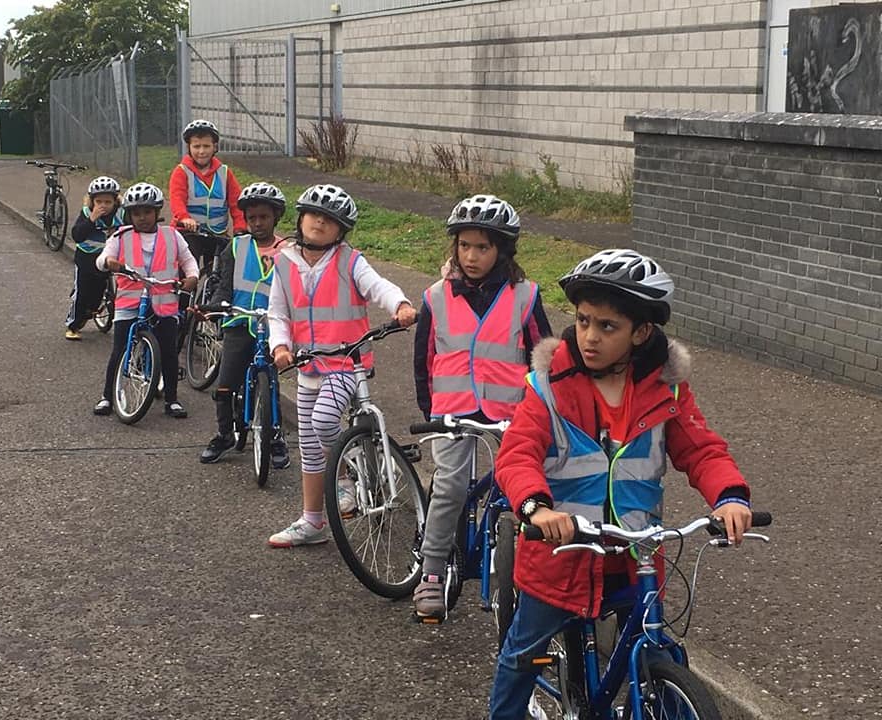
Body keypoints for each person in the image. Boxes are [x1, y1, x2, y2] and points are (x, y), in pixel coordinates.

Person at [488, 248, 754, 719]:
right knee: (522, 656)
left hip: (635, 558)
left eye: (607, 326)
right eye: (583, 320)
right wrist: (536, 508)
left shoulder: (665, 389)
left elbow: (701, 450)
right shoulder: (548, 386)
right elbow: (518, 454)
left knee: (660, 653)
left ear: (641, 332)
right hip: (559, 557)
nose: (589, 336)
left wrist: (729, 496)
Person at [411, 195, 553, 622]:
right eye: (465, 246)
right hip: (452, 410)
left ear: (503, 251)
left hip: (511, 412)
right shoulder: (436, 297)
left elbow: (542, 356)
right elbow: (424, 359)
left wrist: (543, 410)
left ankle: (527, 575)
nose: (471, 256)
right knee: (452, 486)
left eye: (483, 247)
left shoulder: (525, 296)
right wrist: (432, 414)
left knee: (521, 488)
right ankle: (431, 571)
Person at [267, 184, 418, 548]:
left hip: (347, 363)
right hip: (308, 365)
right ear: (300, 218)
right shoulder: (285, 261)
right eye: (314, 214)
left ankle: (348, 472)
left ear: (341, 230)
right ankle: (313, 521)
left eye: (330, 219)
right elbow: (278, 312)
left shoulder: (350, 261)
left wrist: (400, 305)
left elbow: (377, 286)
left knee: (323, 423)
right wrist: (280, 345)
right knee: (310, 446)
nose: (320, 222)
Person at [199, 182, 290, 467]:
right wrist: (216, 306)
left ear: (275, 217)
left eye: (264, 217)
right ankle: (224, 433)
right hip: (239, 321)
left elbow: (296, 290)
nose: (258, 223)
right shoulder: (235, 247)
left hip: (272, 326)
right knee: (225, 384)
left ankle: (275, 438)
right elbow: (224, 285)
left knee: (271, 383)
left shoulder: (289, 251)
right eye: (252, 218)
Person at [92, 183, 199, 418]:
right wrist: (109, 262)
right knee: (120, 350)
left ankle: (172, 399)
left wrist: (192, 277)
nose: (142, 218)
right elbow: (101, 260)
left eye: (147, 212)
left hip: (164, 301)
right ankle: (107, 397)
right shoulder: (121, 236)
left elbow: (189, 262)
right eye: (137, 213)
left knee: (169, 352)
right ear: (129, 214)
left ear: (157, 211)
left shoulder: (173, 235)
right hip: (129, 303)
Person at [168, 119, 247, 269]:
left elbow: (237, 203)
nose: (201, 151)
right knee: (187, 270)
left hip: (217, 234)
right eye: (196, 146)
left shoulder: (224, 172)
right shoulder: (182, 172)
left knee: (224, 269)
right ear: (189, 148)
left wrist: (240, 227)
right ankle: (185, 291)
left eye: (206, 146)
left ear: (215, 147)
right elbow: (177, 199)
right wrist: (184, 217)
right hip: (190, 233)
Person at [64, 176, 124, 340]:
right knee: (82, 293)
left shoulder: (121, 214)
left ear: (115, 202)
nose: (103, 206)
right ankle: (73, 325)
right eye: (99, 202)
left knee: (97, 294)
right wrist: (92, 219)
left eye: (108, 202)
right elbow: (77, 235)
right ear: (92, 202)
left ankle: (91, 310)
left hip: (107, 259)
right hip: (86, 259)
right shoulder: (87, 214)